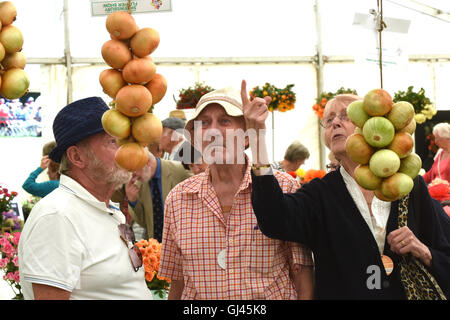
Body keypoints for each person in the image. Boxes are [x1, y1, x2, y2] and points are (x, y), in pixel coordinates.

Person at [243, 81, 450, 300]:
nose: (335, 123)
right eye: (329, 120)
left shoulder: (407, 185)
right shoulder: (320, 193)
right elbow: (274, 218)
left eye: (346, 116)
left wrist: (423, 251)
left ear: (371, 124)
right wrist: (257, 138)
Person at [158, 87, 314, 300]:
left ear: (248, 137)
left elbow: (302, 271)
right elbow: (178, 282)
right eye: (204, 123)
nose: (213, 131)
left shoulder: (284, 187)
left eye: (225, 121)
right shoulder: (179, 199)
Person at [18, 97, 152, 300]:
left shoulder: (105, 209)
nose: (125, 151)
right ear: (77, 157)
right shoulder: (58, 216)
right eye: (113, 142)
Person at [112, 150, 192, 242]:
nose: (132, 176)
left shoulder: (179, 170)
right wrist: (133, 201)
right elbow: (145, 223)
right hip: (157, 248)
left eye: (134, 171)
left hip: (183, 242)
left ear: (147, 163)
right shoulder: (138, 184)